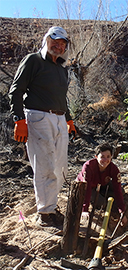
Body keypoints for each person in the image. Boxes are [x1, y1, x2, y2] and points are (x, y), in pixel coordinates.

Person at [8, 26, 78, 227]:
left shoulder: (62, 70)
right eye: (55, 41)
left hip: (59, 119)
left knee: (60, 166)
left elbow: (62, 98)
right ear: (46, 40)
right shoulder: (33, 60)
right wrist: (19, 120)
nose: (59, 45)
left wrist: (69, 120)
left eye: (63, 43)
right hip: (38, 117)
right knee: (44, 166)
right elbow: (16, 91)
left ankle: (51, 206)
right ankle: (45, 214)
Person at [77, 144, 128, 225]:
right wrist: (85, 209)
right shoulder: (88, 166)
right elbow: (87, 188)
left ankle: (103, 195)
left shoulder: (113, 168)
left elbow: (117, 189)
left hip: (101, 184)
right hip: (87, 187)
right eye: (102, 157)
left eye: (108, 157)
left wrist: (122, 211)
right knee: (102, 204)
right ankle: (95, 200)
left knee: (121, 191)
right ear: (96, 156)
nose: (105, 160)